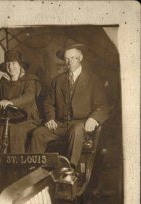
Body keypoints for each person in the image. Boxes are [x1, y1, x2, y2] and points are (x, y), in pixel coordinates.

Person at [29, 40, 110, 170]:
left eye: (73, 58)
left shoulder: (93, 80)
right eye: (67, 59)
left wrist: (94, 118)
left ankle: (70, 169)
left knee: (76, 130)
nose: (70, 62)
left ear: (81, 58)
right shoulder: (57, 80)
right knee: (38, 133)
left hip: (81, 125)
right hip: (60, 125)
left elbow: (103, 106)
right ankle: (34, 169)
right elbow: (48, 103)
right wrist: (50, 118)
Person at [0, 49, 41, 153]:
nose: (10, 67)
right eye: (8, 64)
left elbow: (29, 96)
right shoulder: (3, 82)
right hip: (9, 119)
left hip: (28, 120)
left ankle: (18, 165)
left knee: (16, 131)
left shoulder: (30, 79)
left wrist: (10, 102)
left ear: (20, 65)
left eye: (14, 63)